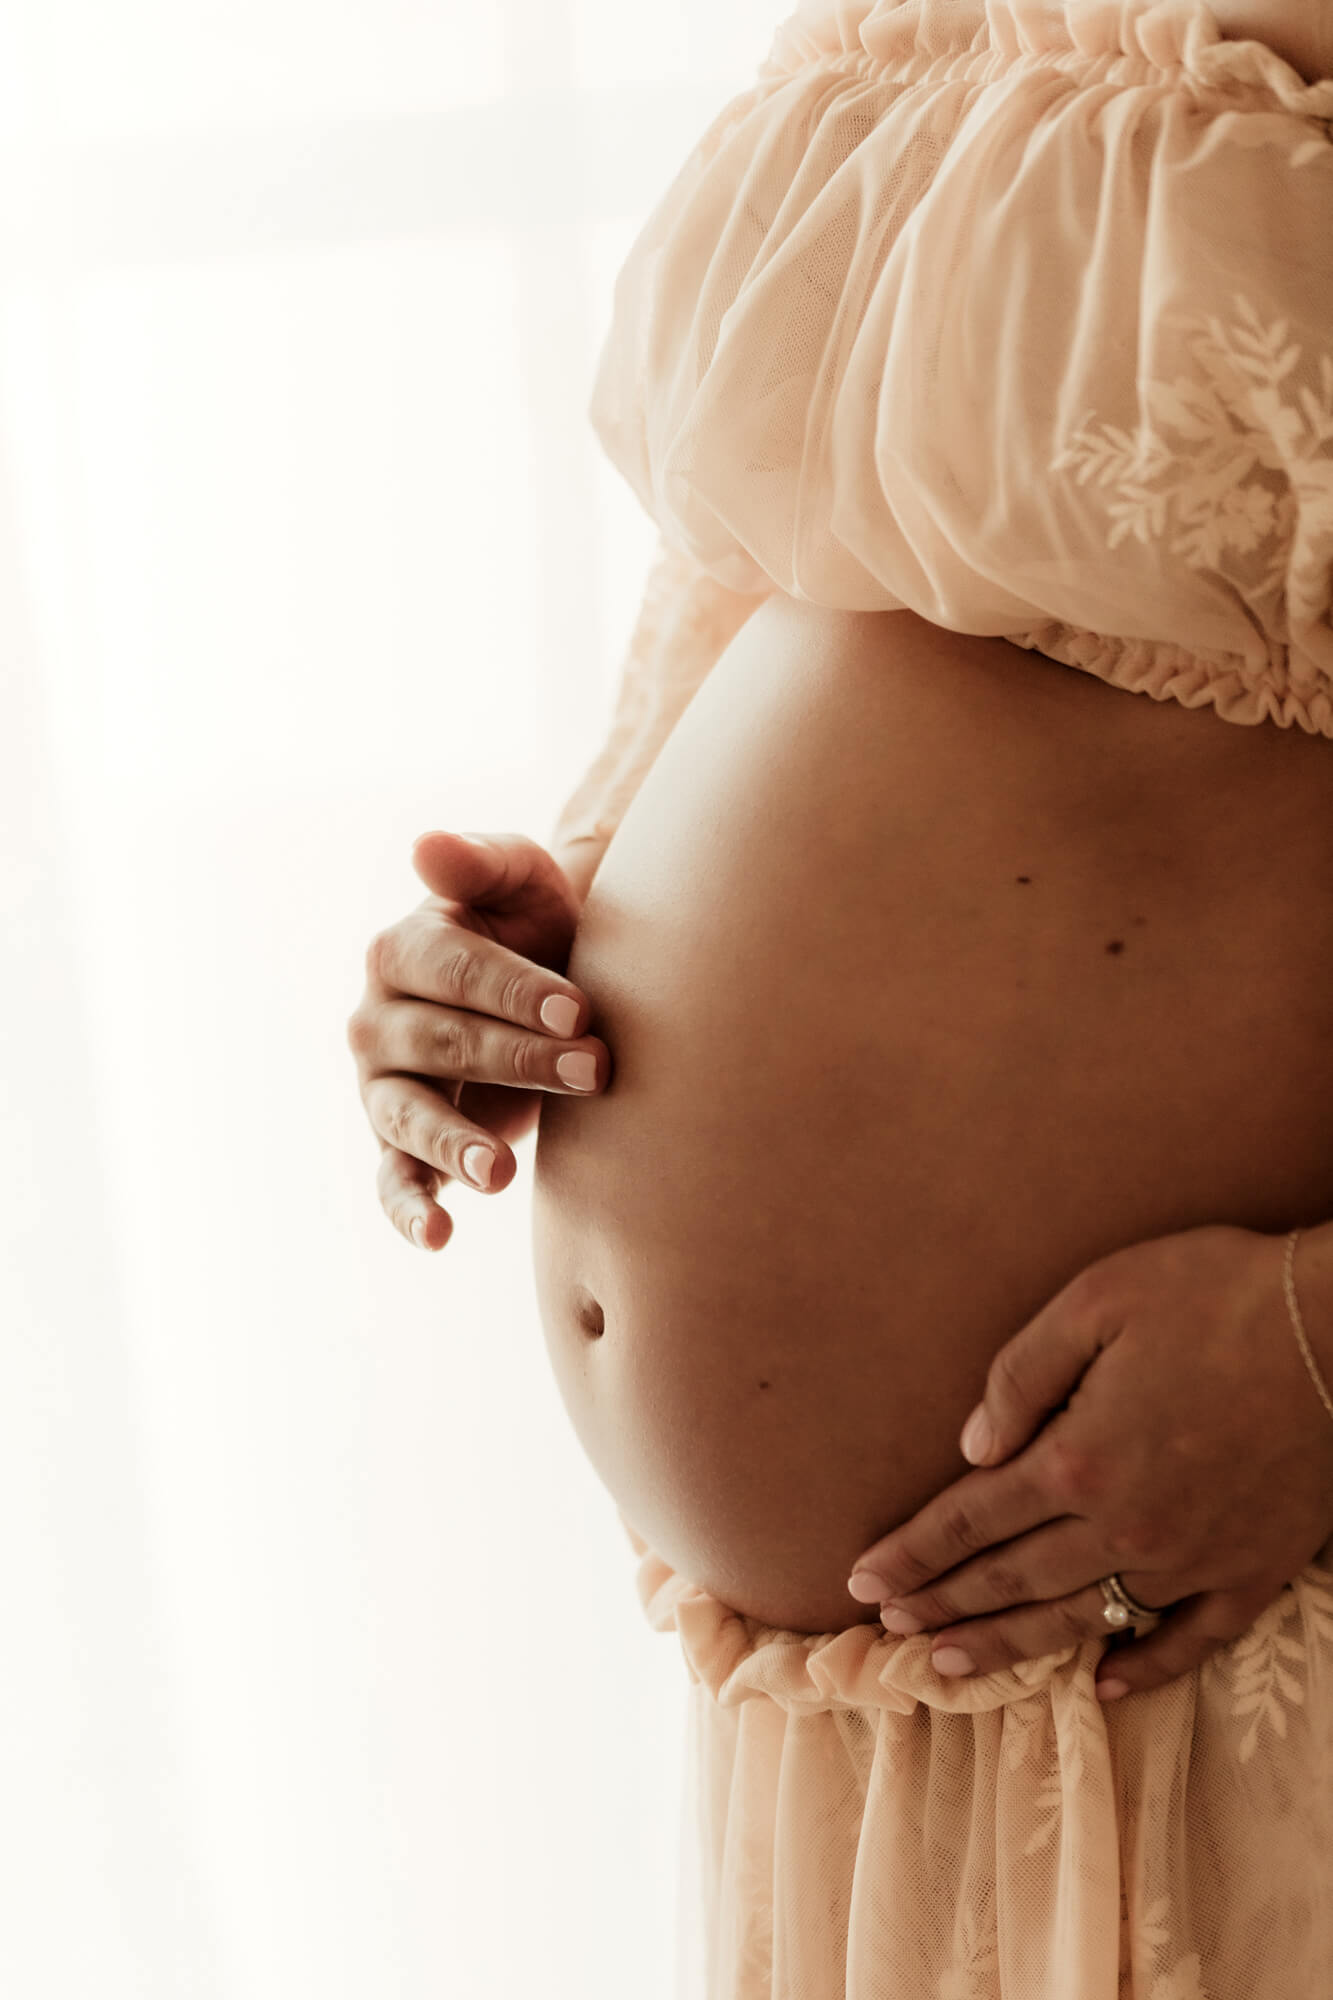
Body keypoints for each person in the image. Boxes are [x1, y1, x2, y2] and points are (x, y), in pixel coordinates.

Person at [348, 0, 1333, 1991]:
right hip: (864, 1745)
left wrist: (1323, 1346)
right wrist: (555, 933)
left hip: (1225, 1604)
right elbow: (788, 604)